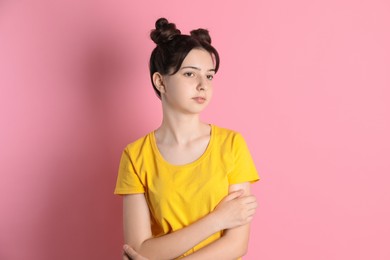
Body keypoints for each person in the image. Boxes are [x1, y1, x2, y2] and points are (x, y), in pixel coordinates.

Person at [114, 17, 260, 260]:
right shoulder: (135, 156)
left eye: (210, 76)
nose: (203, 85)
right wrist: (218, 220)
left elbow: (236, 245)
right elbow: (139, 250)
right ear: (160, 81)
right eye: (190, 74)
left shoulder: (232, 145)